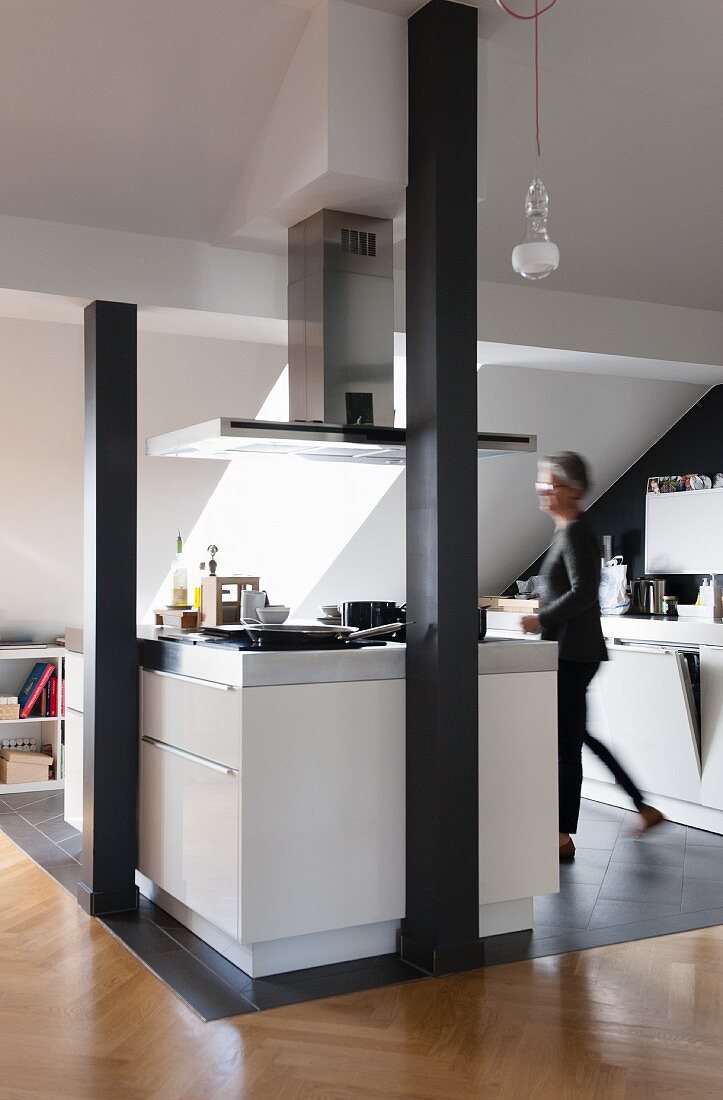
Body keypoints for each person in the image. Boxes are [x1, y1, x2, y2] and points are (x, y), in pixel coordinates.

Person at [521, 452, 663, 861]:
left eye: (551, 483)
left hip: (575, 652)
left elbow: (584, 592)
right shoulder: (567, 529)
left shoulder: (577, 531)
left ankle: (563, 836)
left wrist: (541, 618)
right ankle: (642, 806)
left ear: (574, 489)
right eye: (542, 483)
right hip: (569, 650)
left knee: (566, 746)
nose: (543, 490)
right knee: (576, 738)